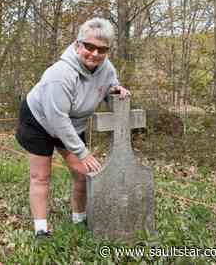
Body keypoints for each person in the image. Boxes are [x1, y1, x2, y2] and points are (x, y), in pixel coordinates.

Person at [15, 17, 130, 238]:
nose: (95, 54)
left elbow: (108, 84)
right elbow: (57, 120)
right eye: (89, 46)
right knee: (41, 176)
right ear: (78, 44)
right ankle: (41, 230)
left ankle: (79, 219)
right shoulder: (60, 75)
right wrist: (82, 151)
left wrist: (114, 90)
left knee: (81, 172)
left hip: (72, 122)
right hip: (39, 121)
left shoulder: (105, 68)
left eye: (102, 49)